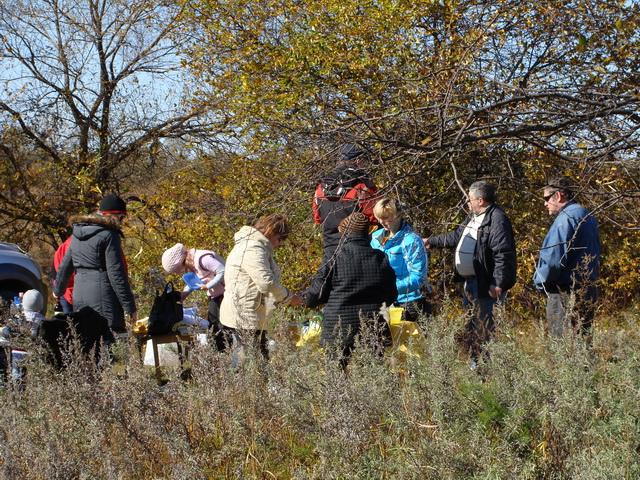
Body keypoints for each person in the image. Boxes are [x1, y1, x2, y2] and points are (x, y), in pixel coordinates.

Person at [424, 181, 516, 364]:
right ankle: (476, 365)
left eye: (469, 199)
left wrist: (498, 283)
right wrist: (431, 241)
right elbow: (457, 236)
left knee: (484, 327)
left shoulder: (497, 220)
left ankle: (484, 369)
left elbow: (503, 254)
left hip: (485, 284)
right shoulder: (474, 217)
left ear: (480, 200)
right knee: (472, 326)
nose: (467, 202)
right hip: (470, 283)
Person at [304, 212, 398, 369]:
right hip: (372, 325)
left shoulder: (334, 256)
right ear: (367, 233)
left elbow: (316, 294)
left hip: (338, 328)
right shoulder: (380, 258)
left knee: (336, 379)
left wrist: (306, 300)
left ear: (344, 234)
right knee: (374, 377)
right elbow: (391, 295)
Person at [53, 194, 137, 351]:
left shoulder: (77, 233)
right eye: (121, 217)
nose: (122, 221)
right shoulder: (109, 235)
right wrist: (130, 307)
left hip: (79, 296)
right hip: (104, 298)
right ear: (114, 215)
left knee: (88, 343)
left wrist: (57, 290)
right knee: (109, 346)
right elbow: (116, 274)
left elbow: (65, 266)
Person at [220, 214, 302, 365]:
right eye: (279, 239)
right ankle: (242, 388)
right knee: (252, 362)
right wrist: (290, 298)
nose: (279, 245)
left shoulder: (252, 245)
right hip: (246, 316)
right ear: (270, 232)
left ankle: (245, 386)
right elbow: (266, 283)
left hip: (248, 314)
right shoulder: (253, 248)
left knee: (252, 360)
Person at [533, 176, 600, 339]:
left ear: (559, 195)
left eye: (547, 198)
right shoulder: (586, 215)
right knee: (582, 342)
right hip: (587, 289)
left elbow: (553, 259)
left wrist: (540, 282)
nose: (545, 203)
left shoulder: (566, 218)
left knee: (562, 344)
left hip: (565, 292)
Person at [312, 143, 379, 263]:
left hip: (330, 252)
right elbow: (375, 218)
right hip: (359, 251)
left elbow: (317, 219)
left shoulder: (320, 188)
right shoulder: (361, 187)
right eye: (364, 160)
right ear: (358, 160)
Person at [370, 198, 430, 321]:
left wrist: (391, 289)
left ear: (398, 215)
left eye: (387, 218)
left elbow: (419, 277)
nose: (382, 222)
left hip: (408, 303)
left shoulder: (411, 240)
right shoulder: (375, 238)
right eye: (379, 217)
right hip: (381, 303)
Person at [161, 243, 226, 351]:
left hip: (227, 295)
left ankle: (228, 356)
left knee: (223, 328)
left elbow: (223, 270)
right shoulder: (191, 264)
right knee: (214, 328)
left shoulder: (202, 259)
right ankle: (220, 356)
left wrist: (208, 286)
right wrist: (184, 294)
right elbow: (194, 282)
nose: (177, 273)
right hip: (215, 296)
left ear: (181, 261)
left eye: (176, 270)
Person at [53, 236, 74, 314]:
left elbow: (57, 270)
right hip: (70, 290)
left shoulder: (65, 245)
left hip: (65, 291)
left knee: (70, 321)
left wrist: (57, 290)